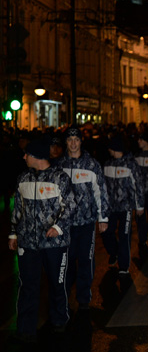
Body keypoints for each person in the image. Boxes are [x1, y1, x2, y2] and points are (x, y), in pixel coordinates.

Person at [8, 137, 75, 343]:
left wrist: (57, 227)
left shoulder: (59, 178)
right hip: (28, 243)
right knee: (27, 286)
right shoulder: (23, 178)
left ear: (36, 156)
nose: (24, 156)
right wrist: (13, 234)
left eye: (27, 153)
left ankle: (59, 320)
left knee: (57, 283)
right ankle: (26, 328)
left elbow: (71, 206)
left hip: (55, 244)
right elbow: (17, 208)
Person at [57, 125, 110, 312]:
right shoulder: (59, 165)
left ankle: (84, 299)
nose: (73, 143)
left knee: (86, 260)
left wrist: (103, 218)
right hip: (65, 225)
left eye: (76, 140)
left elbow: (100, 192)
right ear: (66, 142)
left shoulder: (92, 165)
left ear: (81, 141)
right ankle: (65, 297)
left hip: (86, 222)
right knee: (67, 261)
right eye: (70, 140)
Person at [101, 135, 144, 282]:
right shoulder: (107, 164)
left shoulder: (130, 164)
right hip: (110, 208)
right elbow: (102, 187)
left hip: (125, 207)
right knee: (107, 232)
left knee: (124, 236)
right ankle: (114, 252)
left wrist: (139, 205)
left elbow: (138, 184)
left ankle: (124, 267)